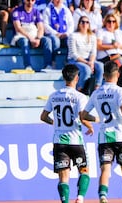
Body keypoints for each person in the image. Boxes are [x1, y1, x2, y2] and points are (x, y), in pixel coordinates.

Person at [81, 61, 122, 203]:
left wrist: (97, 119)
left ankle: (103, 195)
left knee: (105, 169)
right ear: (118, 75)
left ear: (104, 75)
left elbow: (83, 115)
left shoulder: (96, 93)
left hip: (104, 137)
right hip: (120, 135)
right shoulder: (120, 91)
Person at [40, 64, 94, 203]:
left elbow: (43, 117)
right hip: (75, 140)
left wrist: (56, 123)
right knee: (84, 171)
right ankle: (80, 197)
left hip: (59, 141)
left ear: (64, 78)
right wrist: (94, 121)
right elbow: (83, 116)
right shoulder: (80, 97)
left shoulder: (53, 96)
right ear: (77, 78)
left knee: (63, 177)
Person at [11, 0, 53, 70]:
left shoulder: (36, 12)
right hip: (21, 36)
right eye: (28, 0)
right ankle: (27, 66)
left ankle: (48, 65)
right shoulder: (17, 11)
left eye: (32, 0)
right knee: (25, 41)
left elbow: (41, 27)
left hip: (35, 36)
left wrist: (38, 38)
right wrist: (30, 38)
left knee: (47, 40)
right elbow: (18, 28)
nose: (30, 2)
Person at [67, 16, 104, 95]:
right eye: (82, 22)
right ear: (79, 24)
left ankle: (97, 89)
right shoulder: (73, 36)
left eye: (87, 22)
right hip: (75, 60)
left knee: (100, 66)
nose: (84, 24)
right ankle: (79, 90)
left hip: (88, 60)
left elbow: (93, 52)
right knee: (86, 69)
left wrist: (91, 62)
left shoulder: (92, 36)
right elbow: (74, 54)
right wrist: (87, 63)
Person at [96, 13, 122, 88]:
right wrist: (112, 46)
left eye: (113, 21)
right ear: (105, 22)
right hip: (107, 57)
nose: (111, 23)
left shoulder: (120, 32)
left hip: (120, 56)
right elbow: (98, 46)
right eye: (109, 21)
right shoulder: (101, 32)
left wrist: (119, 46)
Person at [43, 0, 74, 69]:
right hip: (52, 34)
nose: (59, 1)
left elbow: (71, 24)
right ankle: (52, 62)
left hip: (64, 35)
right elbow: (45, 25)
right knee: (55, 41)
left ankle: (67, 61)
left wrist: (67, 33)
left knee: (71, 39)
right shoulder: (47, 10)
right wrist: (56, 33)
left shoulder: (66, 10)